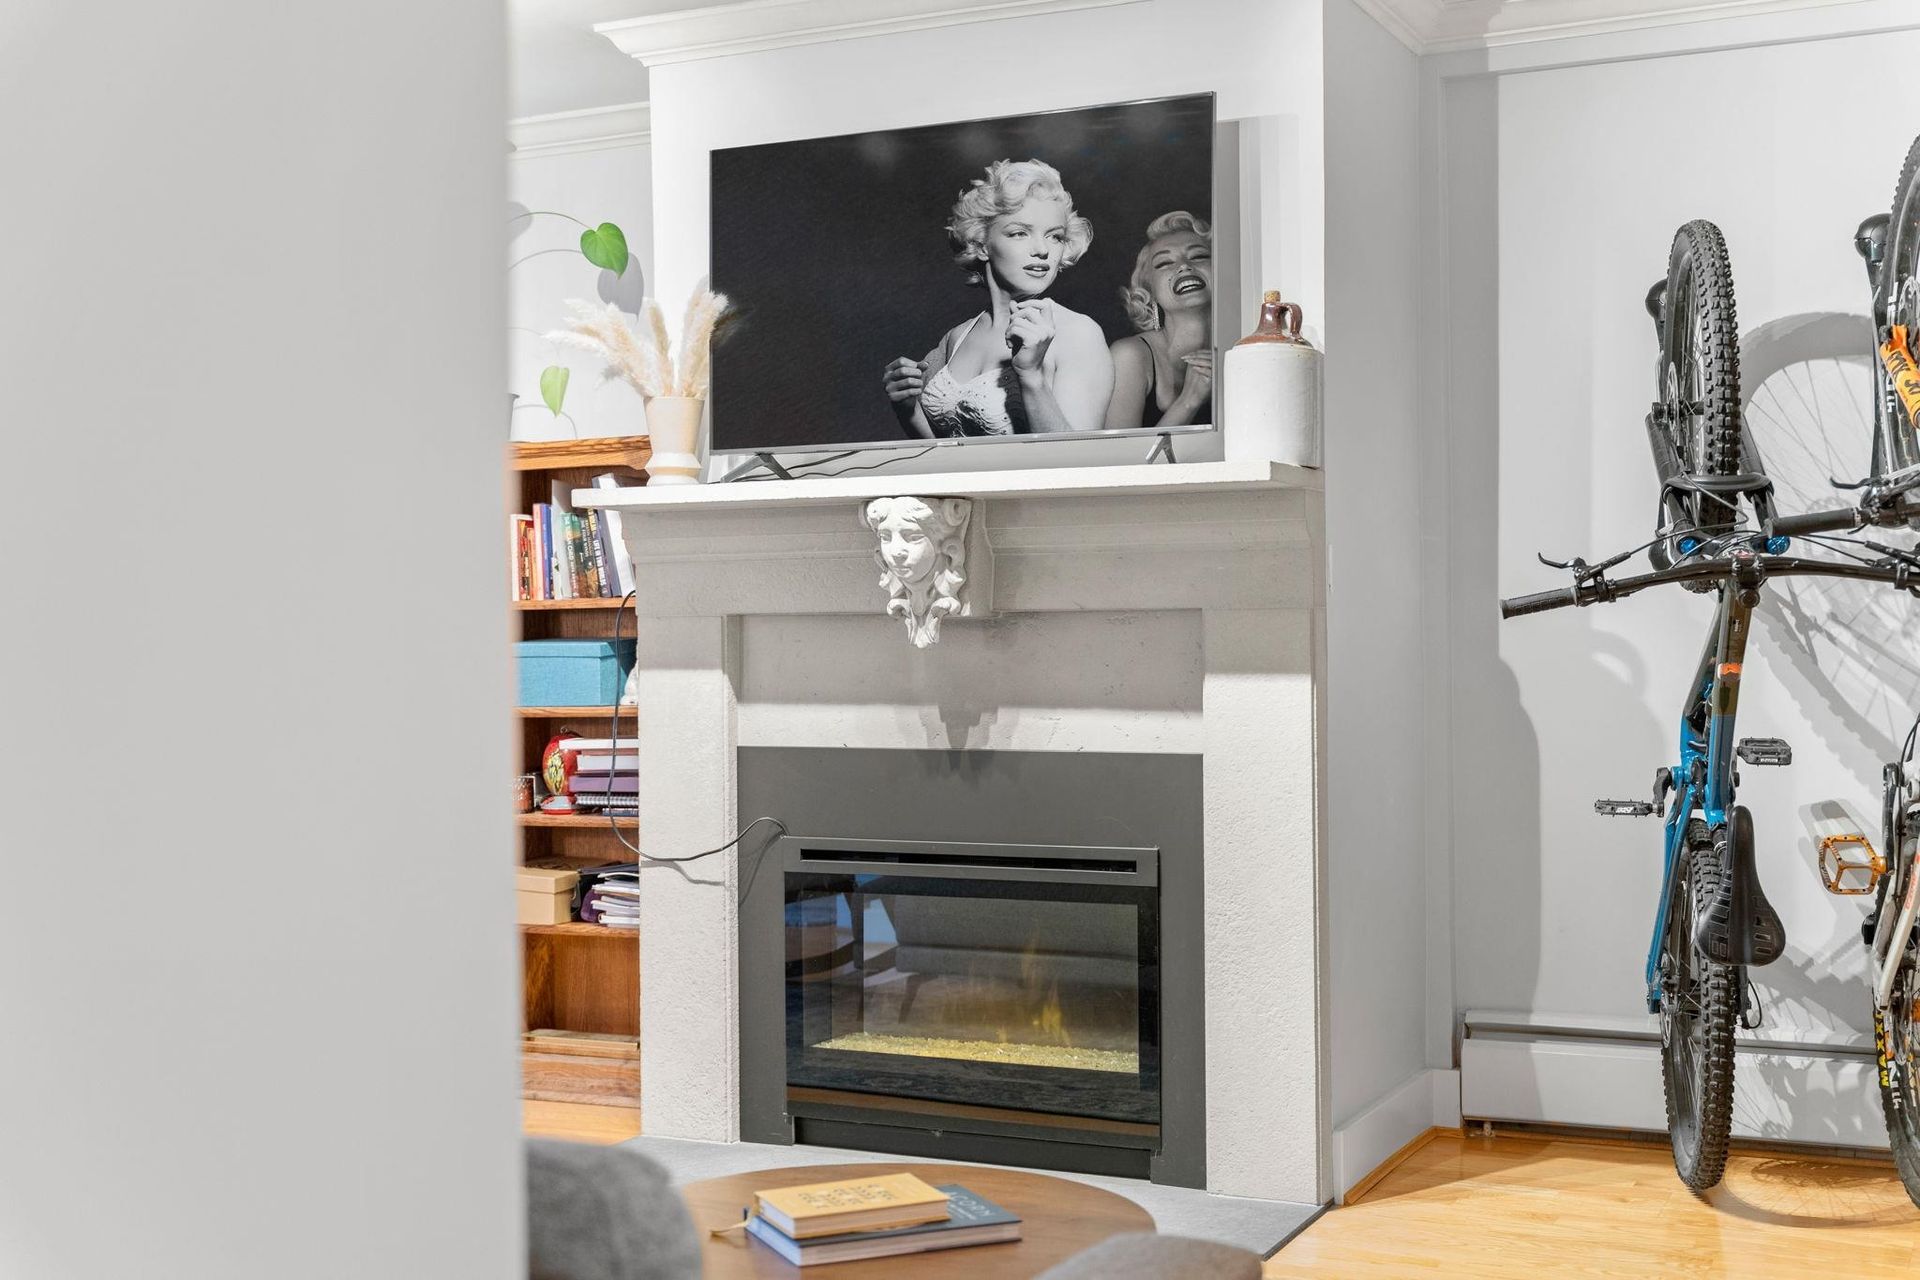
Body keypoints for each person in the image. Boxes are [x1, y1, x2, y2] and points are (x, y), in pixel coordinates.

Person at [883, 159, 1113, 438]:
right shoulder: (958, 337)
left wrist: (1032, 377)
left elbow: (1079, 458)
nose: (1042, 250)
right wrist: (907, 409)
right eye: (1020, 233)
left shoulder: (1078, 333)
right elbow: (941, 453)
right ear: (981, 244)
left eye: (1055, 237)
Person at [1102, 211, 1214, 430]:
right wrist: (1188, 401)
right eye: (1164, 263)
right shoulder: (1130, 355)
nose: (1183, 266)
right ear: (1149, 290)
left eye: (1199, 256)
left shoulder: (1241, 350)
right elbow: (1119, 451)